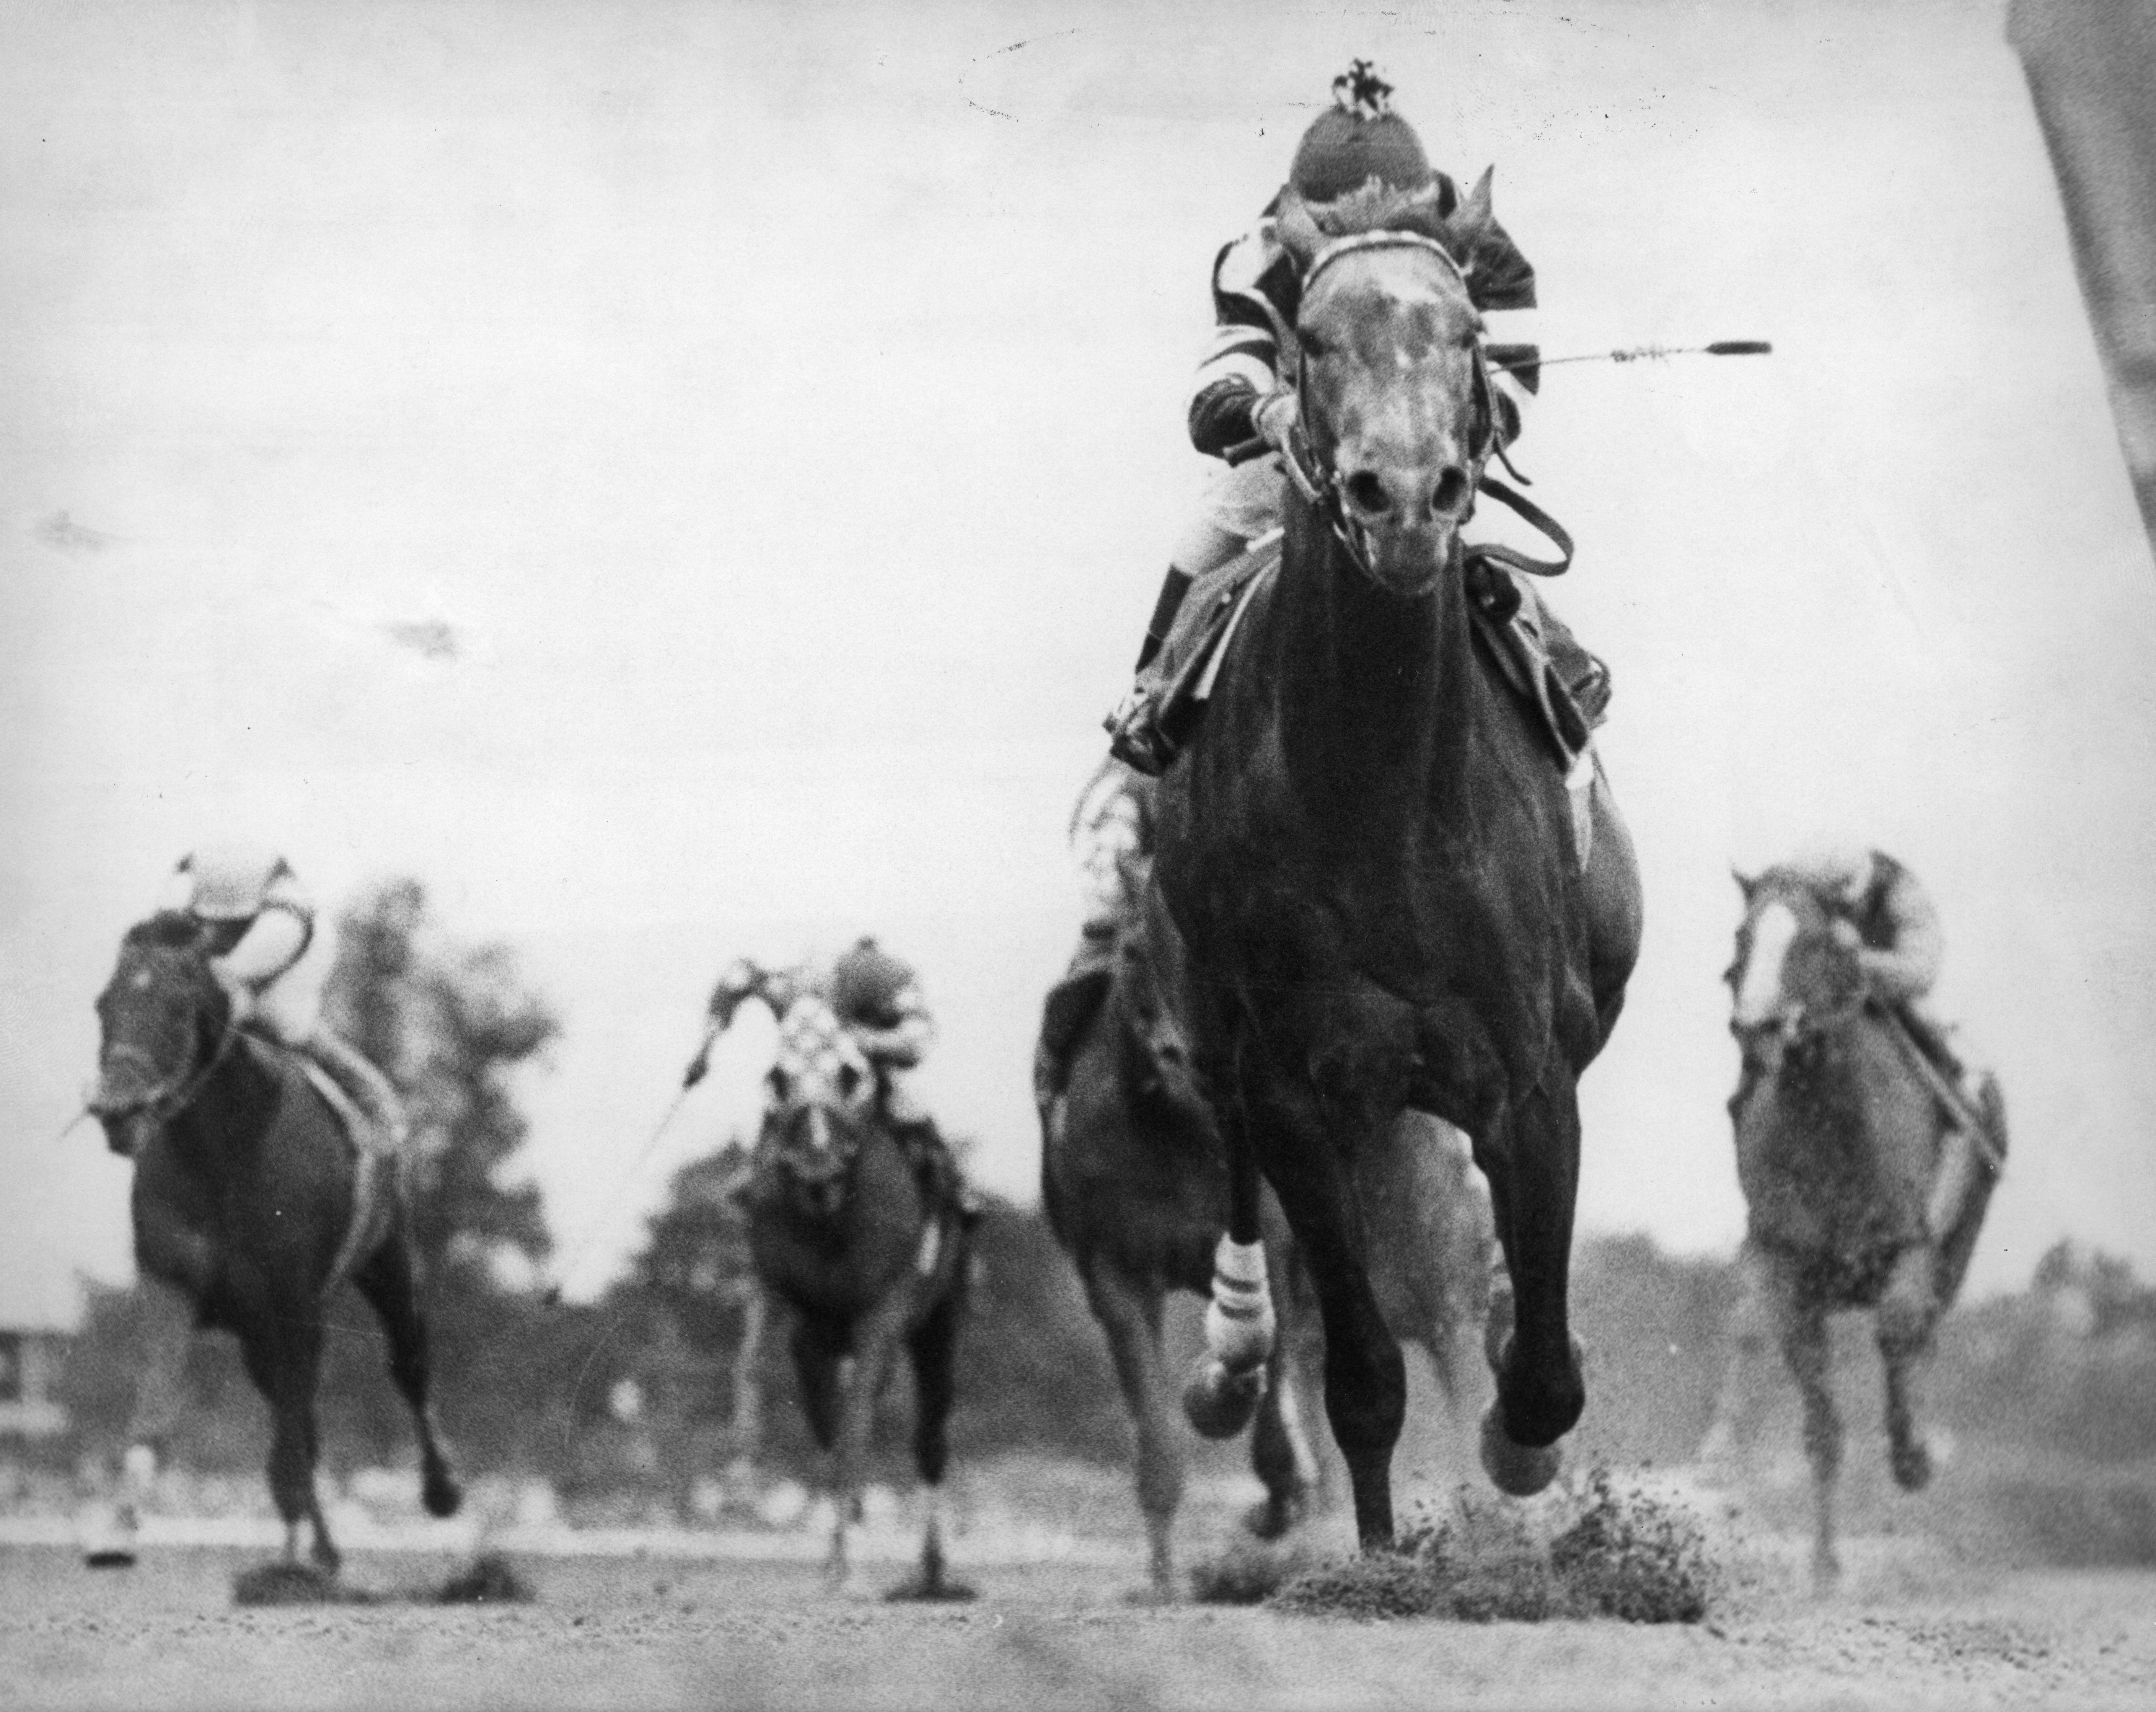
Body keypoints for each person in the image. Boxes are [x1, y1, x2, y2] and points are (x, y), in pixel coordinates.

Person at [1105, 59, 1608, 776]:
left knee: (1478, 534)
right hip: (1301, 440)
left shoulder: (1484, 253)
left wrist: (1456, 426)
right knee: (1217, 515)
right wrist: (1264, 409)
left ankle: (1561, 681)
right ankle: (1152, 688)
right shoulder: (1257, 261)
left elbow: (1513, 372)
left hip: (1432, 439)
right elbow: (1226, 377)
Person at [1773, 846, 1998, 1238]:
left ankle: (1939, 1197)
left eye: (1844, 896)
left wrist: (1857, 958)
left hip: (1896, 994)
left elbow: (1921, 971)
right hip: (1830, 996)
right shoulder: (1809, 879)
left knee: (1963, 1075)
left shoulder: (1902, 894)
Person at [160, 847, 407, 1156]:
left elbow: (227, 982)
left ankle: (376, 1105)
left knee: (288, 1028)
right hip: (254, 945)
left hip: (293, 966)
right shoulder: (214, 891)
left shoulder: (282, 922)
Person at [704, 939, 974, 1219]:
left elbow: (917, 1037)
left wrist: (867, 1040)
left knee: (909, 1105)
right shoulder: (791, 987)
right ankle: (757, 1169)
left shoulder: (890, 982)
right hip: (813, 1069)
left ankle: (950, 1181)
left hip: (871, 1067)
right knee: (780, 1098)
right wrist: (708, 1040)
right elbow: (739, 979)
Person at [1036, 760, 1153, 1101]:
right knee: (1063, 1017)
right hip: (1124, 929)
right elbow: (1108, 874)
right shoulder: (1123, 781)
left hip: (1162, 926)